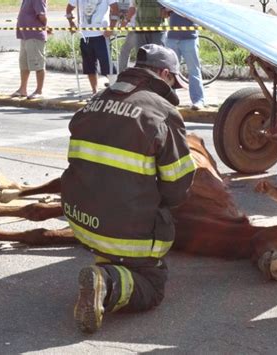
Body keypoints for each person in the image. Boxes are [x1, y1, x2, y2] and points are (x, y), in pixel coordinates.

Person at [61, 44, 195, 333]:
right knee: (152, 285)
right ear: (163, 74)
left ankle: (107, 261)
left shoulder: (94, 101)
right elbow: (177, 188)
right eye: (173, 79)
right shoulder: (162, 113)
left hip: (80, 222)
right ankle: (107, 283)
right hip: (121, 230)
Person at [66, 0, 119, 95]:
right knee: (89, 66)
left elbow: (115, 9)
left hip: (102, 36)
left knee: (107, 64)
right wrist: (72, 23)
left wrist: (111, 27)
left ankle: (115, 91)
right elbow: (68, 9)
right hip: (85, 36)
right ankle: (94, 92)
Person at [164, 9, 205, 110]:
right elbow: (163, 14)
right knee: (170, 72)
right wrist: (169, 10)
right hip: (172, 38)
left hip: (190, 38)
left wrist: (180, 10)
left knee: (194, 71)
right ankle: (170, 100)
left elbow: (196, 14)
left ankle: (198, 100)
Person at [12, 0, 48, 100]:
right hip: (25, 36)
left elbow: (42, 16)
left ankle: (39, 90)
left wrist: (44, 27)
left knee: (38, 64)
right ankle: (22, 89)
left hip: (34, 36)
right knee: (24, 64)